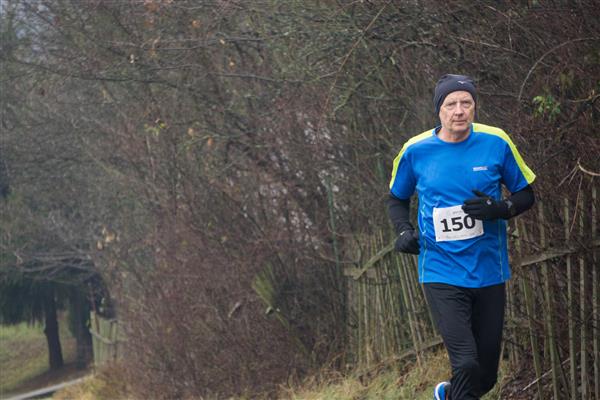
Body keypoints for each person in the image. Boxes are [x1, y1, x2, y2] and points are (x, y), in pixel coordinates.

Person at [387, 74, 536, 400]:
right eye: (450, 104)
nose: (459, 111)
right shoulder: (415, 150)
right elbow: (396, 199)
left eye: (466, 103)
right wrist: (403, 231)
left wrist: (500, 208)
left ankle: (449, 394)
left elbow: (526, 194)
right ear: (438, 110)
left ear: (474, 106)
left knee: (485, 376)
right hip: (440, 270)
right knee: (466, 362)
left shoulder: (496, 142)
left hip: (488, 270)